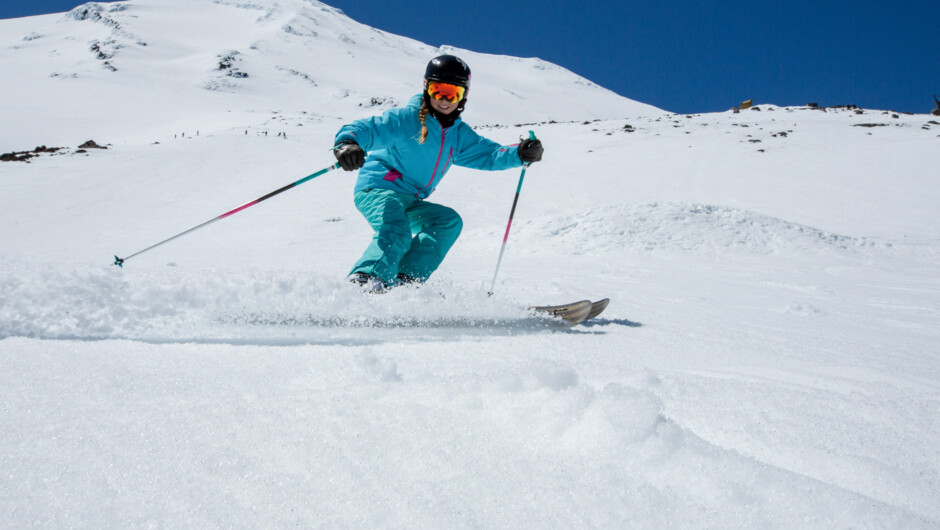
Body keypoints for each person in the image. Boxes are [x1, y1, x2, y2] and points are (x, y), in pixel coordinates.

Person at [332, 55, 544, 293]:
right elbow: (366, 128)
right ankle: (365, 283)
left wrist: (520, 153)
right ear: (426, 88)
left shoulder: (458, 135)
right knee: (396, 231)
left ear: (463, 96)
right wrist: (348, 143)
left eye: (452, 93)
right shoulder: (407, 119)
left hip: (411, 199)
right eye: (438, 90)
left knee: (447, 221)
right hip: (379, 188)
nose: (444, 100)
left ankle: (405, 283)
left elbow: (490, 154)